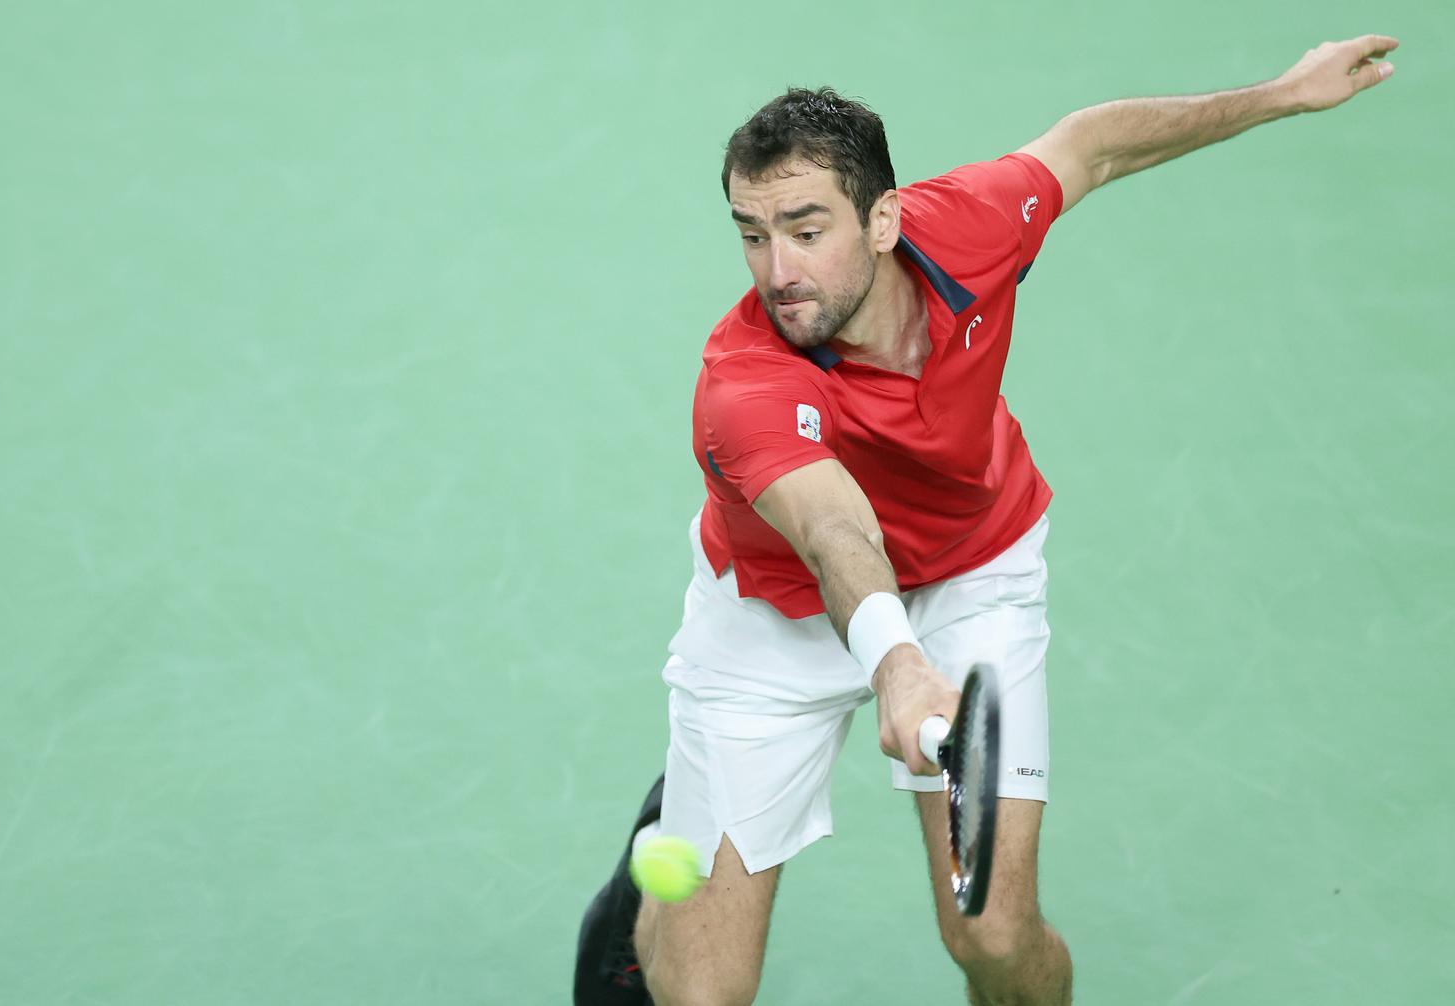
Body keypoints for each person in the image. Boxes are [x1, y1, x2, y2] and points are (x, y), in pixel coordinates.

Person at [575, 35, 1398, 1006]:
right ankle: (646, 892)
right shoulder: (742, 383)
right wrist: (897, 662)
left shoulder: (967, 223)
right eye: (751, 233)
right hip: (776, 617)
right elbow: (838, 533)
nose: (776, 268)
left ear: (883, 219)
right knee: (701, 993)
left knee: (996, 938)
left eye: (805, 228)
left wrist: (1281, 94)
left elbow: (1091, 146)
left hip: (974, 567)